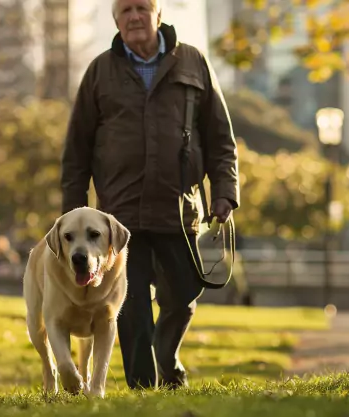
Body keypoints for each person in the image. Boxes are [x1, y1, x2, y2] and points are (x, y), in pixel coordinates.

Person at [60, 0, 240, 390]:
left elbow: (220, 139)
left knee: (183, 297)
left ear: (159, 14)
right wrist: (73, 212)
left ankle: (166, 355)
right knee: (130, 305)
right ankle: (142, 388)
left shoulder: (193, 62)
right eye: (125, 10)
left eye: (142, 7)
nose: (134, 16)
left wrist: (225, 191)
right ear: (116, 21)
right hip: (120, 216)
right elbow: (76, 150)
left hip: (180, 209)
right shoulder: (99, 72)